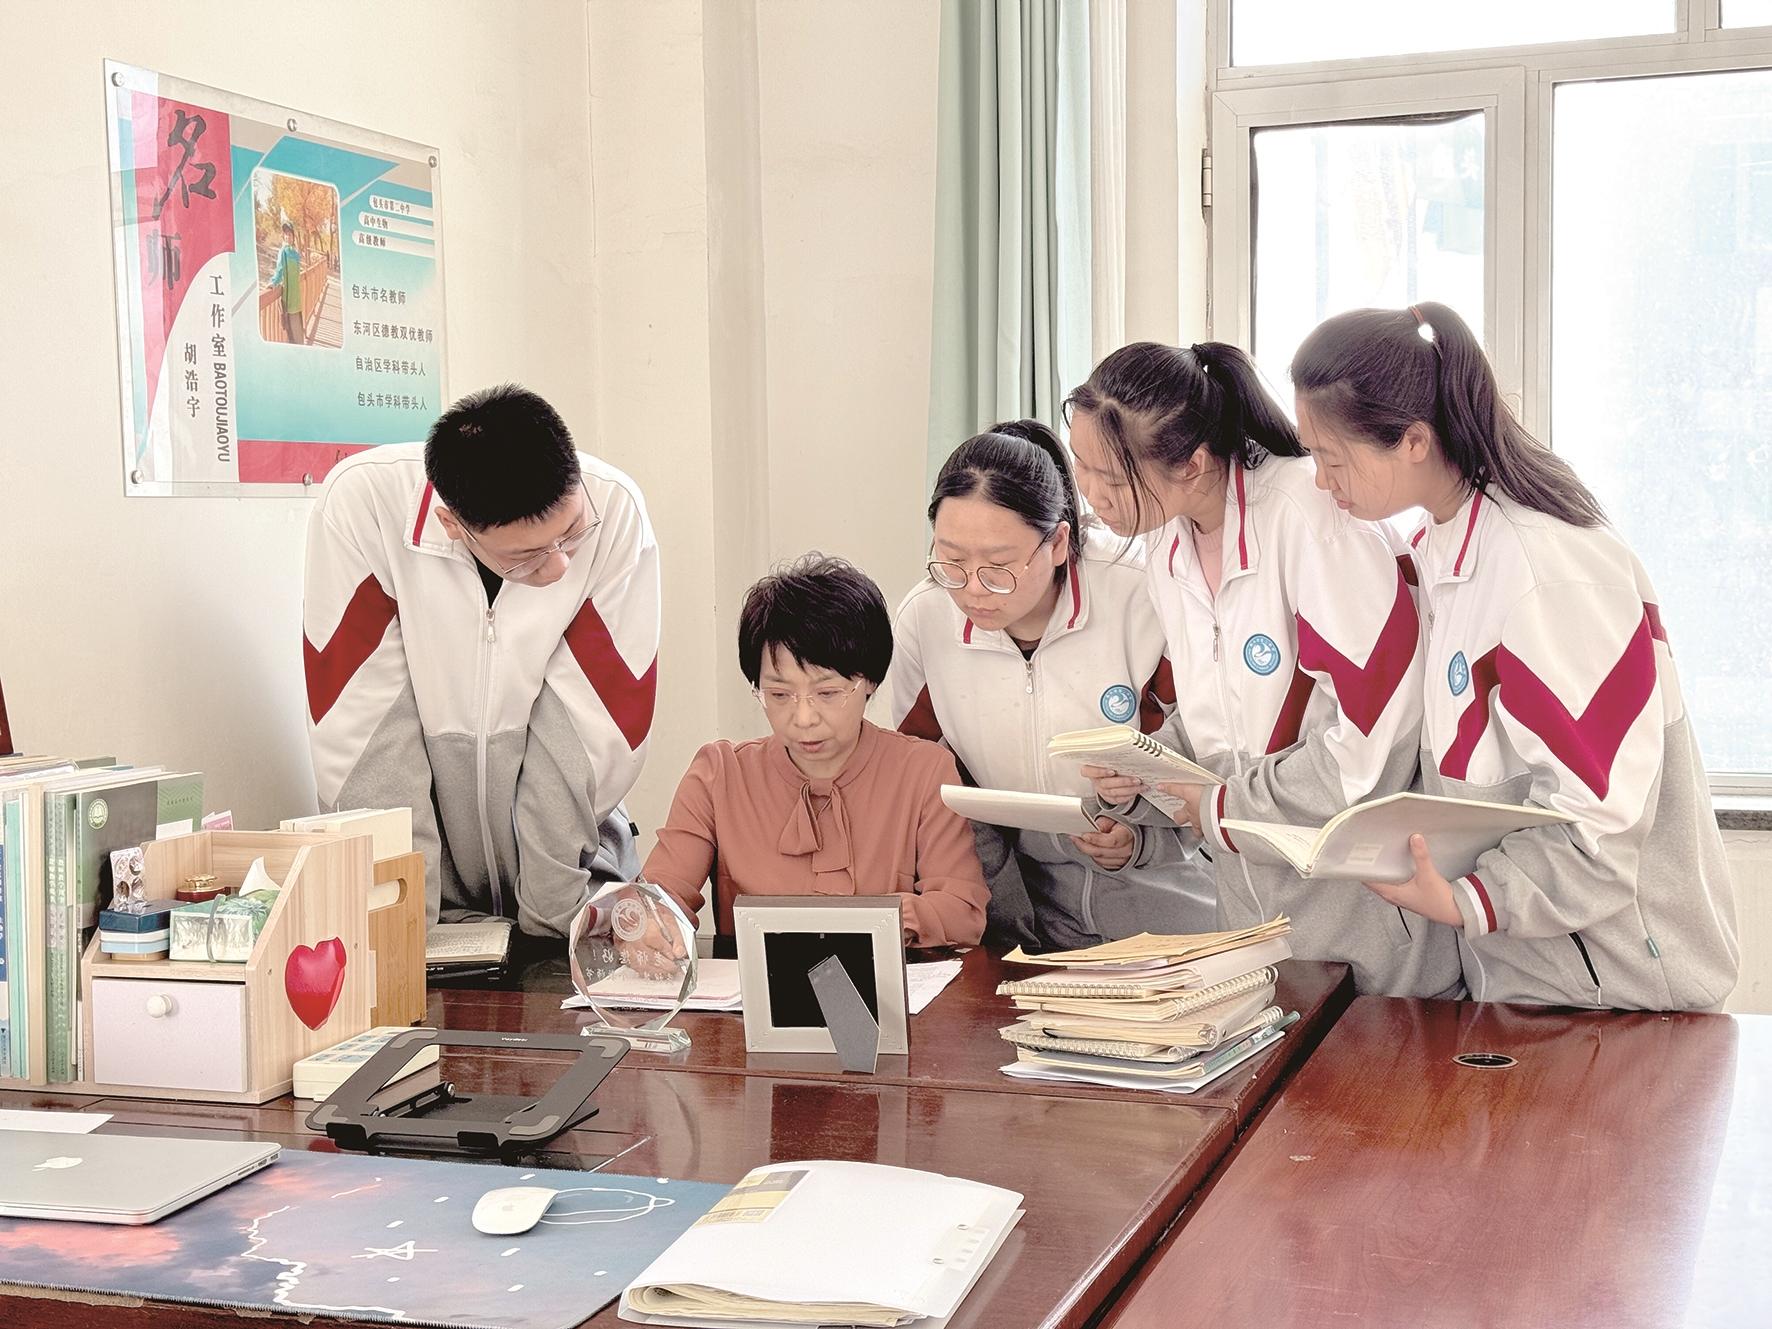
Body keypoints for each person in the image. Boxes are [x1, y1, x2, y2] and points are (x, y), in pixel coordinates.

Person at [1289, 302, 1739, 1009]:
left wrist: (1470, 897)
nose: (1321, 480)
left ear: (1413, 440)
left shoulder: (1545, 572)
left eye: (1332, 458)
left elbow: (1599, 828)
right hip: (1532, 982)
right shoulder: (1440, 548)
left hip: (1624, 994)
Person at [1067, 342, 1460, 998]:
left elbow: (1372, 745)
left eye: (1111, 476)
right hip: (1254, 926)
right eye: (1081, 465)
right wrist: (1143, 773)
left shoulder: (1313, 519)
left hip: (1370, 928)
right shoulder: (1167, 543)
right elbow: (1218, 728)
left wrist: (1223, 805)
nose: (1092, 494)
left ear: (1192, 464)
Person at [303, 384, 660, 938]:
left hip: (576, 879)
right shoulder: (362, 508)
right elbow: (365, 734)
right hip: (431, 898)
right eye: (527, 557)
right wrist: (402, 926)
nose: (560, 567)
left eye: (571, 535)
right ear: (452, 525)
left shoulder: (615, 509)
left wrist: (555, 912)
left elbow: (596, 726)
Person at [887, 420, 1216, 950]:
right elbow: (925, 778)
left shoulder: (1141, 593)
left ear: (1058, 542)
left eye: (998, 567)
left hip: (1164, 893)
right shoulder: (925, 619)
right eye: (951, 561)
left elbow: (1203, 754)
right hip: (1016, 907)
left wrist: (1139, 836)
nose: (972, 590)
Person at [640, 555, 988, 947]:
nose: (803, 718)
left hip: (893, 985)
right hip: (749, 988)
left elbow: (961, 912)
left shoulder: (923, 771)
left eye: (827, 693)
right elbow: (661, 894)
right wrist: (650, 927)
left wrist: (883, 919)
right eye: (779, 694)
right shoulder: (719, 774)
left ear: (870, 681)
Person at [268, 220, 305, 345]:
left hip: (296, 298)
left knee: (298, 332)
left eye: (290, 234)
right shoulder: (283, 251)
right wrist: (274, 282)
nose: (288, 236)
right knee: (293, 334)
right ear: (283, 236)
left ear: (293, 237)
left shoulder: (295, 253)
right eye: (286, 234)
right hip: (288, 300)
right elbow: (280, 270)